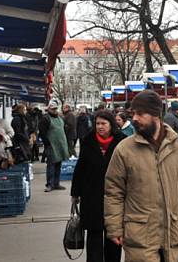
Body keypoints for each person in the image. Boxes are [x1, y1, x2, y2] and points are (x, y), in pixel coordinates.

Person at [105, 90, 178, 262]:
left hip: (173, 233)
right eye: (133, 114)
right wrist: (114, 227)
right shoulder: (124, 149)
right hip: (141, 236)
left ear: (156, 115)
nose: (134, 119)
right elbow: (113, 192)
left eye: (140, 114)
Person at [71, 110, 126, 262]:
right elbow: (80, 167)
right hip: (91, 195)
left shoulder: (122, 141)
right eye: (97, 124)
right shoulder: (88, 140)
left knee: (113, 235)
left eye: (103, 123)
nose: (100, 127)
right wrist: (75, 193)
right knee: (94, 235)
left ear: (111, 124)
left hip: (115, 195)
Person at [39, 100, 70, 192]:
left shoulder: (60, 118)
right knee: (51, 165)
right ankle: (49, 184)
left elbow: (64, 129)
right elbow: (42, 133)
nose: (54, 110)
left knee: (58, 165)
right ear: (49, 109)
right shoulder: (45, 119)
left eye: (55, 109)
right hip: (51, 145)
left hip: (60, 145)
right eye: (52, 109)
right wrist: (47, 143)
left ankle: (56, 183)